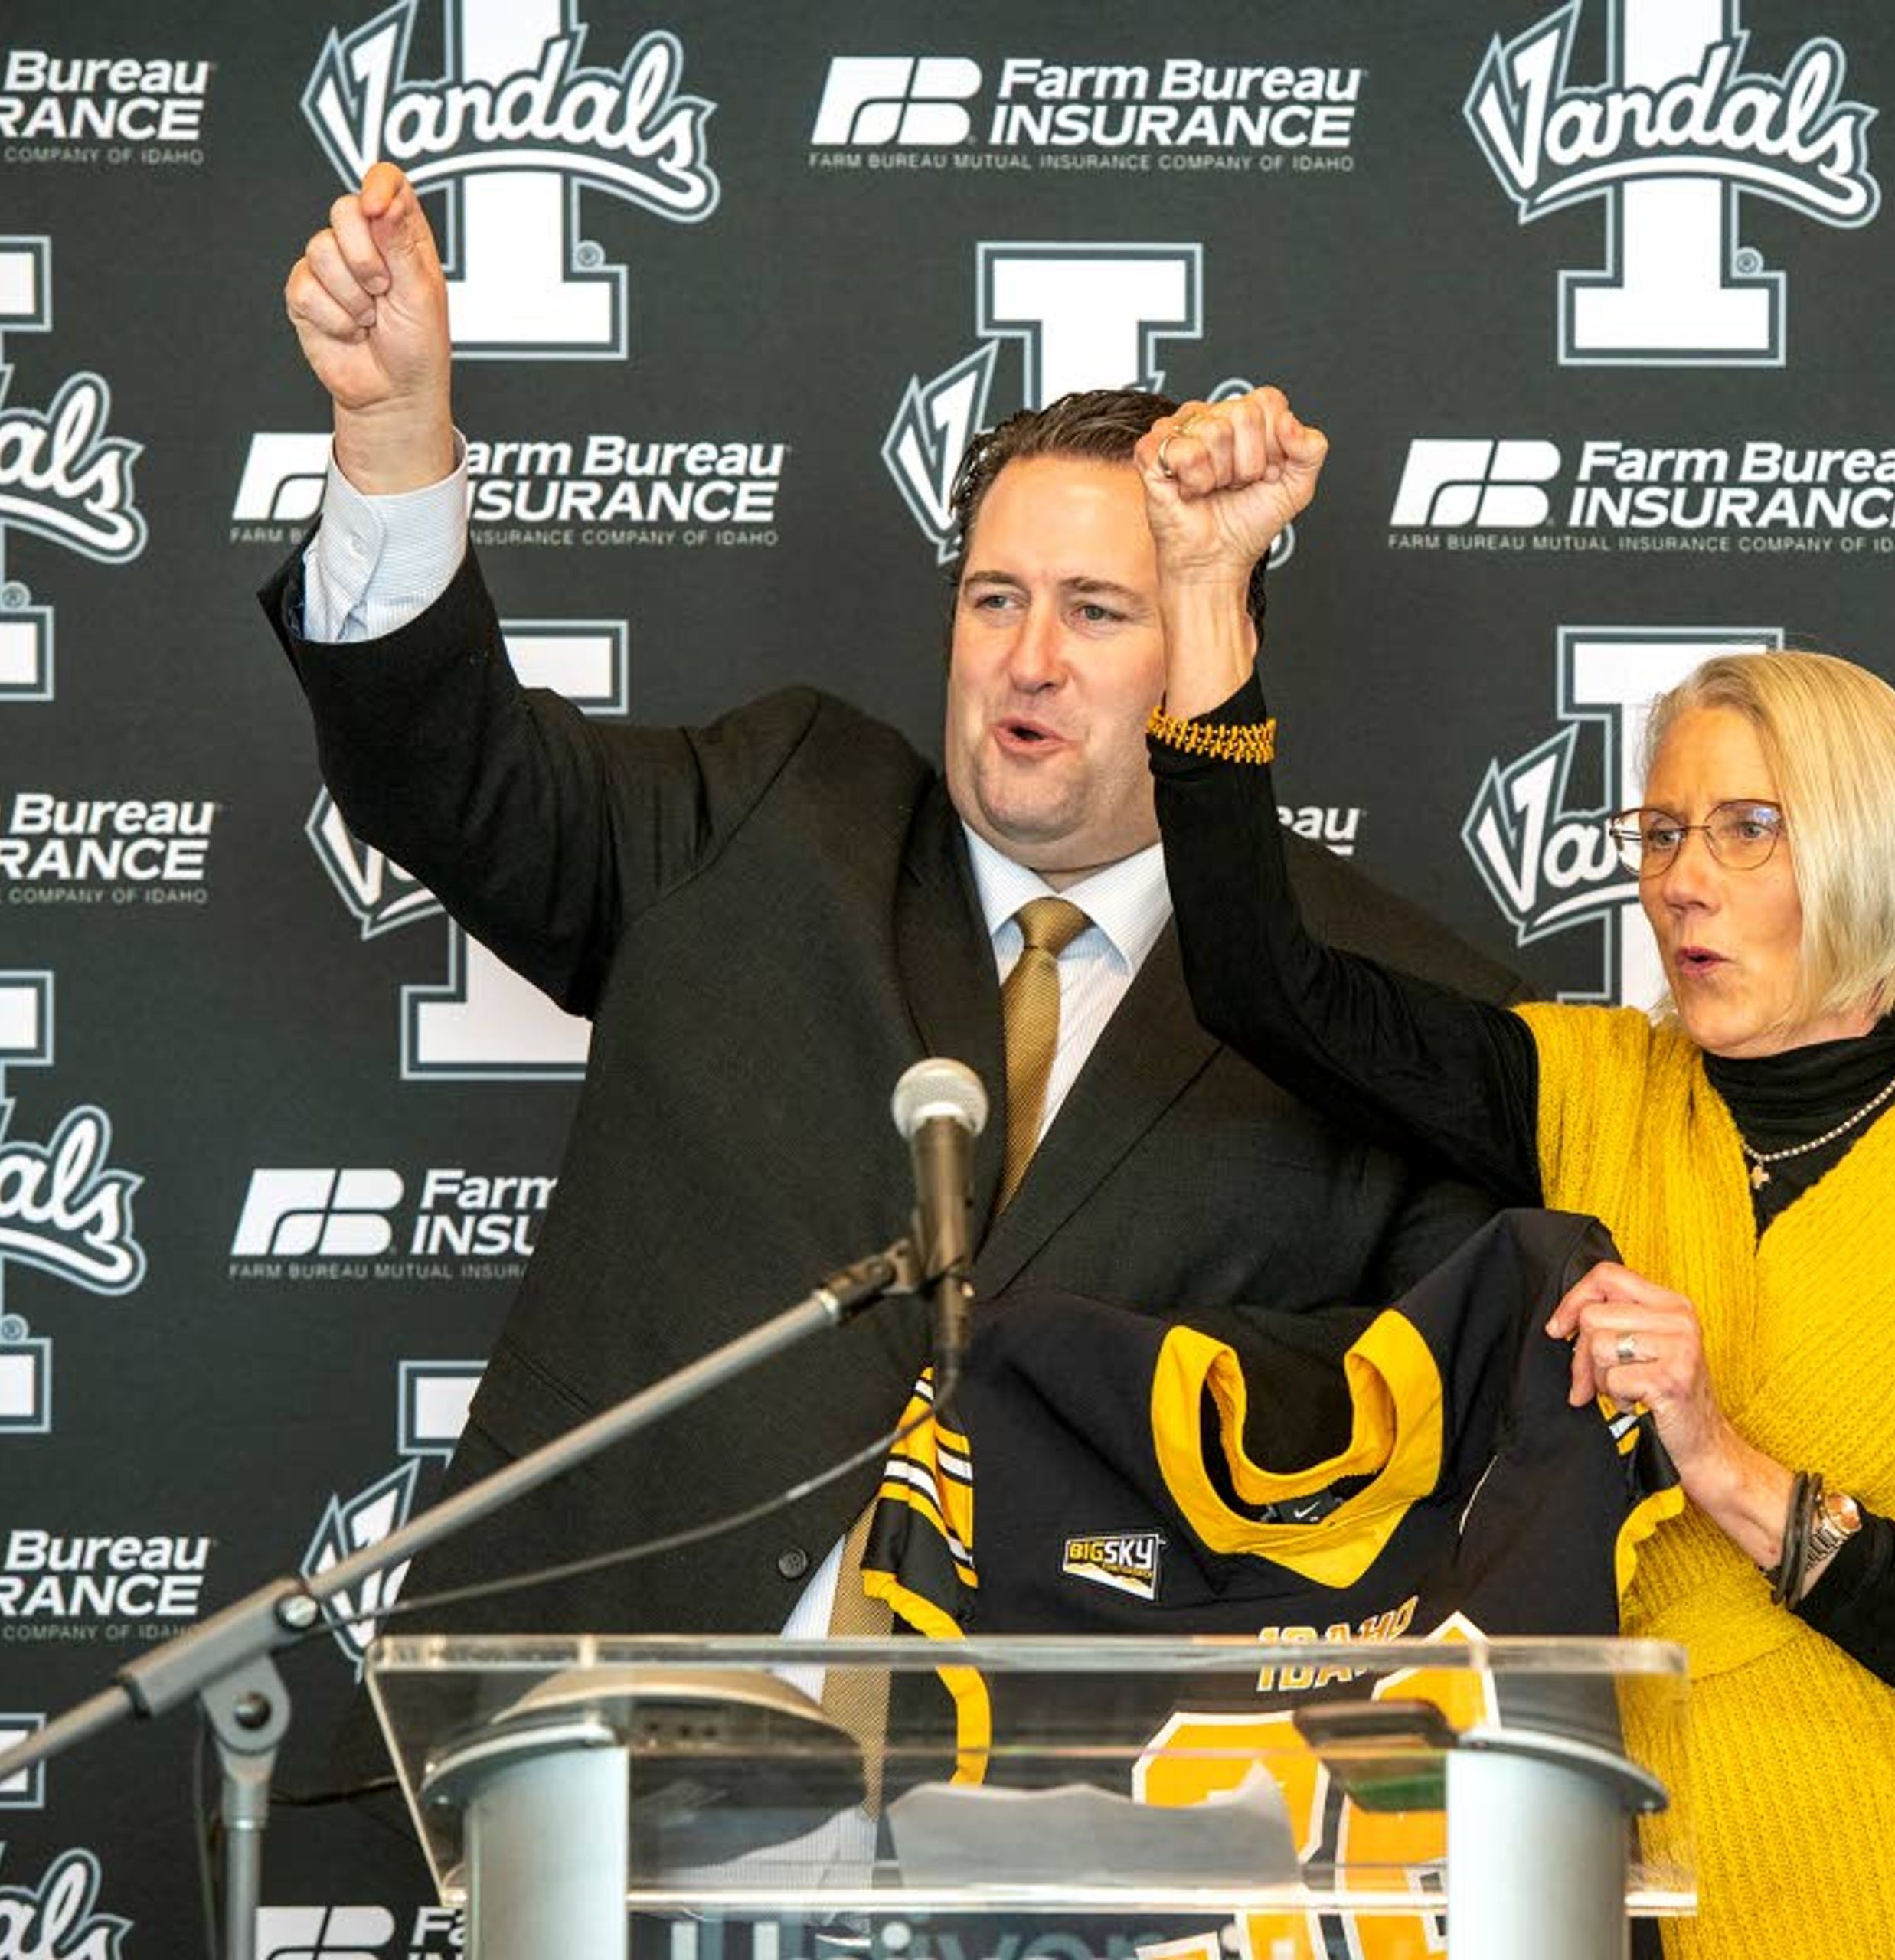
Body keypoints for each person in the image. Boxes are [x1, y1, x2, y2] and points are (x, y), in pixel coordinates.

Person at [260, 165, 1519, 1655]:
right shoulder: (774, 811)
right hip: (619, 1750)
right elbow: (446, 775)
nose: (1027, 658)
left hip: (1095, 1818)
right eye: (994, 597)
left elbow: (1446, 1438)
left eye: (1096, 610)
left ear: (1212, 636)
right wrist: (394, 431)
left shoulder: (1388, 1002)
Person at [1131, 391, 1895, 1958]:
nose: (1682, 877)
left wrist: (1732, 1466)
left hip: (1894, 1912)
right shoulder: (1594, 1086)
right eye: (1662, 830)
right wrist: (1210, 590)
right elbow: (1261, 982)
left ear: (1874, 845)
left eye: (1749, 830)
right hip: (1594, 1916)